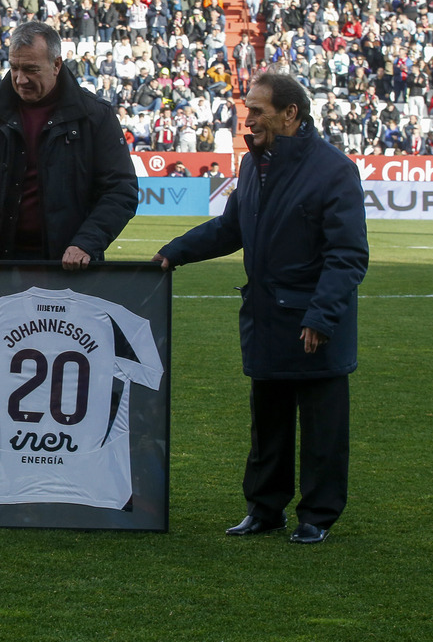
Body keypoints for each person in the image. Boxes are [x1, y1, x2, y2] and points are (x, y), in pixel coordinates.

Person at [152, 73, 368, 545]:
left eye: (257, 110)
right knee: (267, 423)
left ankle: (318, 515)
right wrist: (175, 252)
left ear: (290, 113)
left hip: (313, 323)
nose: (247, 120)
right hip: (267, 316)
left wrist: (321, 316)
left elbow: (347, 255)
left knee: (322, 428)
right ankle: (264, 509)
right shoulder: (254, 166)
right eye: (247, 110)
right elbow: (231, 227)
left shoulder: (334, 170)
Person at [0, 21, 138, 270]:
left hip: (67, 266)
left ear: (56, 64)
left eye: (31, 69)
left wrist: (87, 243)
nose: (20, 79)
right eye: (14, 67)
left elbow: (120, 190)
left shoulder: (94, 116)